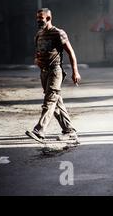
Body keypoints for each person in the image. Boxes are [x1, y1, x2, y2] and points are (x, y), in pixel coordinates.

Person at [25, 8, 81, 143]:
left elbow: (71, 52)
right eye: (37, 18)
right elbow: (38, 52)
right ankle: (70, 131)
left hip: (55, 72)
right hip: (44, 73)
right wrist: (37, 59)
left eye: (41, 18)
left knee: (49, 101)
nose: (38, 21)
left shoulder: (58, 33)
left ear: (48, 18)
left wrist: (75, 71)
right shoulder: (39, 34)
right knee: (56, 103)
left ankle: (39, 130)